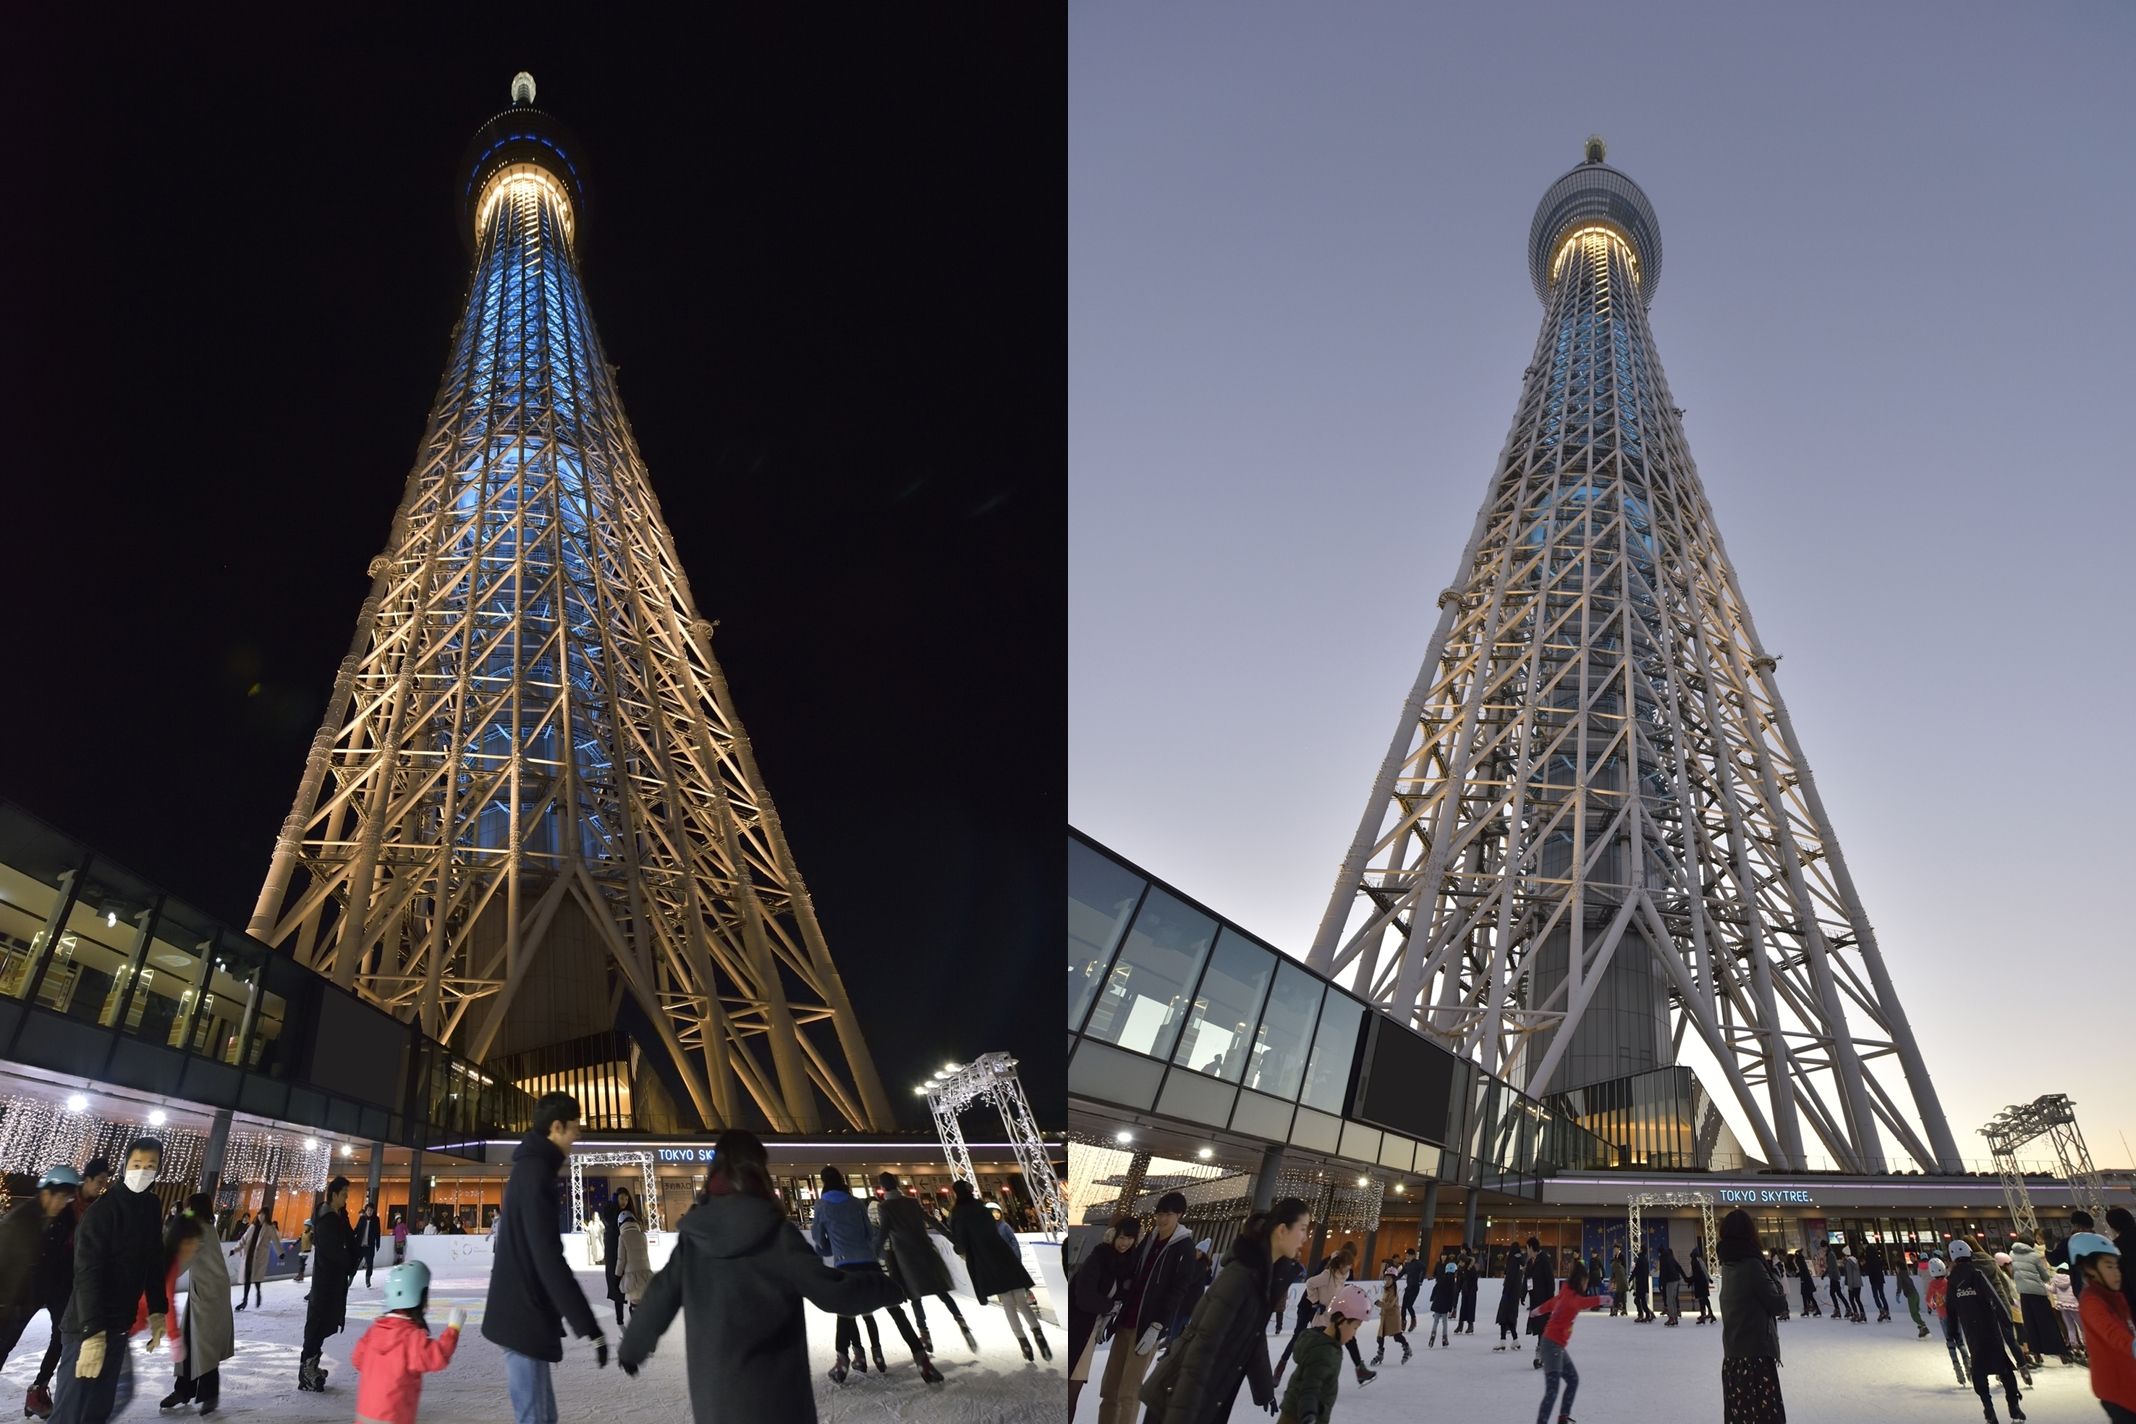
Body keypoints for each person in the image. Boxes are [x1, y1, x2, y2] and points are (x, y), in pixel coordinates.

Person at [616, 1129, 903, 1424]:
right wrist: (888, 1286)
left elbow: (660, 1296)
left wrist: (632, 1349)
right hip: (779, 1403)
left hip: (718, 1404)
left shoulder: (694, 1240)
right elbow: (834, 1293)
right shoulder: (778, 1235)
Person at [483, 1092, 607, 1424]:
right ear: (556, 1127)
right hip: (523, 1316)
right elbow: (548, 1258)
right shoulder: (536, 1174)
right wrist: (589, 1325)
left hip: (521, 1312)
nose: (579, 1135)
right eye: (575, 1127)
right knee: (536, 1417)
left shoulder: (530, 1169)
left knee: (540, 1416)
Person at [1137, 1197, 1307, 1424]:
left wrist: (1264, 1389)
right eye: (1303, 1229)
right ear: (1282, 1230)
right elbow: (1202, 1350)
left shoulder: (1266, 1276)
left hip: (1209, 1395)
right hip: (1178, 1398)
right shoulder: (1241, 1276)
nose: (1305, 1238)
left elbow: (1253, 1338)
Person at [52, 1138, 165, 1424]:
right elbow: (87, 1275)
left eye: (150, 1166)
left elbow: (153, 1260)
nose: (143, 1171)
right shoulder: (102, 1211)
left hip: (117, 1327)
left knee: (97, 1412)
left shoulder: (151, 1206)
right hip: (85, 1329)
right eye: (137, 1164)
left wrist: (158, 1309)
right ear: (124, 1166)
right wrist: (92, 1333)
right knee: (70, 1413)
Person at [810, 1167, 938, 1384]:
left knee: (845, 1314)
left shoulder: (821, 1205)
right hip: (870, 1263)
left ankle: (843, 1363)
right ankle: (921, 1358)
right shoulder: (856, 1202)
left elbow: (819, 1240)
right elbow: (870, 1233)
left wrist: (830, 1248)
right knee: (895, 1310)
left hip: (845, 1264)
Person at [1096, 1189, 1197, 1422]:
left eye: (1168, 1214)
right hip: (1125, 1322)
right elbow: (1130, 1275)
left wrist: (1158, 1325)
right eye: (1159, 1214)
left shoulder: (1184, 1248)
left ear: (1179, 1215)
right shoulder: (1149, 1240)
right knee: (1109, 1389)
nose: (1162, 1219)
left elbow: (1178, 1291)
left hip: (1146, 1329)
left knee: (1128, 1393)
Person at [2, 1164, 79, 1420]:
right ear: (47, 1192)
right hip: (16, 1295)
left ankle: (38, 1391)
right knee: (4, 1343)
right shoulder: (20, 1220)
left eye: (69, 1198)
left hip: (50, 1288)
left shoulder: (64, 1217)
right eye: (62, 1197)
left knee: (61, 1335)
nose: (64, 1203)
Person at [351, 1260, 464, 1424]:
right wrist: (453, 1329)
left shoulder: (374, 1331)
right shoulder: (412, 1338)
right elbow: (437, 1357)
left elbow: (357, 1359)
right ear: (419, 1297)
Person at [874, 1173, 975, 1356]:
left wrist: (873, 1254)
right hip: (926, 1251)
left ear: (882, 1188)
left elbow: (883, 1232)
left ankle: (924, 1333)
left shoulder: (885, 1207)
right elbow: (933, 1222)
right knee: (941, 1291)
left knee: (915, 1296)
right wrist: (952, 1238)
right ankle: (960, 1319)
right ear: (897, 1184)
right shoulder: (911, 1202)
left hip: (906, 1258)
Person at [946, 1179, 1047, 1361]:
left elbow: (961, 1244)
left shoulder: (958, 1215)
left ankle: (1024, 1343)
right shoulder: (983, 1210)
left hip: (986, 1262)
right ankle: (1038, 1334)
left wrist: (959, 1248)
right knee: (1021, 1301)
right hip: (1004, 1256)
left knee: (1008, 1303)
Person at [158, 1194, 232, 1415]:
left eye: (189, 1208)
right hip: (204, 1294)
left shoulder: (199, 1230)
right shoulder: (205, 1226)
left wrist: (158, 1276)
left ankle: (208, 1395)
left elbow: (181, 1261)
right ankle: (183, 1389)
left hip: (209, 1296)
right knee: (189, 1341)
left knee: (205, 1346)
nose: (186, 1211)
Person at [1716, 1209, 1786, 1424]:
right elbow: (1778, 1304)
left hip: (1733, 1356)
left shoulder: (1727, 1265)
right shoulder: (1752, 1264)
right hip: (1755, 1357)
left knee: (1741, 1415)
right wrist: (1772, 1272)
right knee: (1762, 1416)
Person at [1069, 1217, 1140, 1419]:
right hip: (1077, 1329)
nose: (1125, 1243)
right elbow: (1084, 1298)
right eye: (1122, 1237)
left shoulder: (1127, 1265)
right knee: (1070, 1391)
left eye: (1130, 1239)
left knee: (1073, 1390)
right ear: (1113, 1235)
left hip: (1090, 1332)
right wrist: (1111, 1306)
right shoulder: (1098, 1258)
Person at [1949, 1240, 2027, 1422]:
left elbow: (1951, 1309)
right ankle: (2014, 1406)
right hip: (1989, 1327)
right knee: (2005, 1368)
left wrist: (1953, 1331)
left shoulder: (1952, 1281)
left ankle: (1988, 1408)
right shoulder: (1977, 1275)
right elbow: (1994, 1297)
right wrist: (2005, 1319)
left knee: (1979, 1370)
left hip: (1971, 1331)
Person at [293, 1175, 357, 1392]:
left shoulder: (336, 1216)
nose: (347, 1198)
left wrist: (345, 1217)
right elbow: (337, 1252)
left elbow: (349, 1241)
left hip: (332, 1280)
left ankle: (312, 1365)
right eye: (345, 1195)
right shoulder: (328, 1219)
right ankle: (307, 1369)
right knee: (318, 1323)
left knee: (324, 1322)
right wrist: (349, 1261)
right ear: (334, 1194)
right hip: (326, 1281)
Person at [1276, 1281, 1372, 1424]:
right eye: (1355, 1327)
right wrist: (1309, 1413)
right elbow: (1310, 1385)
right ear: (1341, 1320)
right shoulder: (1323, 1351)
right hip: (1299, 1416)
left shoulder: (1326, 1345)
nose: (1354, 1334)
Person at [1529, 1257, 1607, 1424]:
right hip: (1552, 1346)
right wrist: (1602, 1299)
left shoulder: (1565, 1295)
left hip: (1556, 1346)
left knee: (1572, 1380)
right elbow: (1583, 1303)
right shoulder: (1571, 1300)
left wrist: (1537, 1311)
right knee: (1553, 1390)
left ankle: (1563, 1417)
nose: (1586, 1286)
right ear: (1580, 1282)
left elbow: (1550, 1304)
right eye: (1585, 1282)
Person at [2070, 1232, 2134, 1424]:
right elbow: (2111, 1331)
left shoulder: (2115, 1296)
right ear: (2090, 1268)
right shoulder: (2091, 1301)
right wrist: (2132, 1346)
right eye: (2108, 1266)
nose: (2117, 1273)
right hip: (2115, 1387)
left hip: (2129, 1378)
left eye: (2116, 1266)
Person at [2006, 1236, 2065, 1365]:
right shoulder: (2034, 1256)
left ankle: (2036, 1353)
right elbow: (2044, 1276)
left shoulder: (2011, 1254)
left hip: (2023, 1293)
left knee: (2030, 1325)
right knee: (2048, 1323)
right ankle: (2060, 1351)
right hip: (2038, 1293)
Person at [1928, 1256, 1972, 1386]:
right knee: (1960, 1340)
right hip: (1954, 1315)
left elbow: (1928, 1300)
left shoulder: (1932, 1285)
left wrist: (1934, 1306)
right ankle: (1968, 1363)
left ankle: (1956, 1366)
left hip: (1943, 1316)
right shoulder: (1949, 1282)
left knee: (1950, 1341)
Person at [601, 1188, 636, 1330]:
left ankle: (635, 1326)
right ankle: (620, 1323)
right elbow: (609, 1220)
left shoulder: (629, 1215)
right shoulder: (610, 1210)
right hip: (614, 1257)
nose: (624, 1202)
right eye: (621, 1198)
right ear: (616, 1198)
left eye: (626, 1199)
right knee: (617, 1292)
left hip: (629, 1257)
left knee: (633, 1292)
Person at [615, 1204, 653, 1326]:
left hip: (633, 1278)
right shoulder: (642, 1235)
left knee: (635, 1304)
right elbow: (646, 1253)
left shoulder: (623, 1237)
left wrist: (617, 1276)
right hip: (646, 1274)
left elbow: (621, 1260)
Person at [1369, 1269, 1411, 1366]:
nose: (1387, 1281)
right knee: (1380, 1337)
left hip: (1392, 1318)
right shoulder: (1386, 1289)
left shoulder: (1394, 1292)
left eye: (1389, 1279)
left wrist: (1378, 1303)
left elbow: (1389, 1305)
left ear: (1393, 1280)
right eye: (1386, 1279)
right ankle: (1380, 1355)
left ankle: (1407, 1350)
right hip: (1385, 1317)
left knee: (1397, 1336)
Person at [1524, 1236, 1555, 1364]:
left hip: (1544, 1300)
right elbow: (1527, 1279)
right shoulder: (1531, 1262)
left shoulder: (1544, 1260)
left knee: (1542, 1326)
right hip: (1535, 1300)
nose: (1527, 1251)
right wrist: (1523, 1294)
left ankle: (1541, 1352)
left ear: (1532, 1248)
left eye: (1527, 1248)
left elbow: (1550, 1281)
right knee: (1539, 1327)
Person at [233, 1210, 272, 1313]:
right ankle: (245, 1300)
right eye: (260, 1215)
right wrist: (235, 1249)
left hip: (258, 1258)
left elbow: (275, 1239)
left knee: (255, 1278)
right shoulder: (251, 1227)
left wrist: (280, 1252)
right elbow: (243, 1240)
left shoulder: (267, 1228)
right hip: (249, 1257)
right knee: (247, 1280)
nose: (261, 1217)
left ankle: (258, 1292)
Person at [2048, 1264, 2086, 1366]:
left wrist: (2043, 1284)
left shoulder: (2055, 1279)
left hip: (2063, 1306)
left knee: (2070, 1328)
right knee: (2082, 1327)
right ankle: (2087, 1348)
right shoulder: (2072, 1278)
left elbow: (2053, 1291)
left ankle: (2075, 1349)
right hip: (2074, 1305)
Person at [1494, 1241, 1527, 1349]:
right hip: (1515, 1294)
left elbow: (1510, 1277)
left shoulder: (1513, 1260)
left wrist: (1506, 1292)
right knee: (1509, 1318)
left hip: (1509, 1293)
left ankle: (1503, 1342)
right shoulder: (1521, 1262)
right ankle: (1515, 1341)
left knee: (1503, 1317)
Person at [1894, 1250, 1928, 1337]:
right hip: (1916, 1295)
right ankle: (1922, 1329)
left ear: (1898, 1268)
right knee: (1916, 1313)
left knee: (1914, 1314)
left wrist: (1898, 1294)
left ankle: (1923, 1327)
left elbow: (1899, 1284)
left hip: (1911, 1296)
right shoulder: (1907, 1274)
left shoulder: (1900, 1275)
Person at [1426, 1259, 1457, 1348]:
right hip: (1445, 1304)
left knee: (1435, 1321)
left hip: (1437, 1302)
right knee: (1445, 1321)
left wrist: (1432, 1298)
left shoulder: (1441, 1278)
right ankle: (1444, 1338)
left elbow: (1435, 1288)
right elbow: (1452, 1295)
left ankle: (1433, 1335)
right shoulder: (1452, 1282)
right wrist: (1451, 1307)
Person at [1398, 1248, 1426, 1333]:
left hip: (1415, 1287)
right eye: (1407, 1256)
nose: (1407, 1257)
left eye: (1409, 1256)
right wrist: (1394, 1279)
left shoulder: (1418, 1263)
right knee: (1403, 1306)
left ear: (1413, 1256)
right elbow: (1401, 1273)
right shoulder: (1406, 1264)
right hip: (1409, 1287)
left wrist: (1421, 1280)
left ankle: (1413, 1321)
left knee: (1409, 1305)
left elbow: (1424, 1269)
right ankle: (1403, 1322)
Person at [356, 1203, 383, 1289]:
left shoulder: (376, 1220)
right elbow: (357, 1229)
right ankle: (350, 1279)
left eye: (371, 1210)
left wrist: (378, 1243)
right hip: (360, 1246)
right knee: (355, 1263)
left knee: (370, 1264)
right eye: (368, 1210)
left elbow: (378, 1232)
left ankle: (368, 1279)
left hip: (369, 1246)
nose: (370, 1212)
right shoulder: (362, 1218)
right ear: (366, 1210)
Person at [1690, 1242, 1715, 1325]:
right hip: (1703, 1281)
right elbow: (1705, 1270)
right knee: (1705, 1298)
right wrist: (1709, 1279)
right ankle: (1710, 1314)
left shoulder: (1696, 1261)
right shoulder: (1700, 1260)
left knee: (1702, 1298)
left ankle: (1704, 1315)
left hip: (1700, 1282)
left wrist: (1690, 1280)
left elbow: (1700, 1271)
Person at [1792, 1250, 1820, 1317]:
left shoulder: (1800, 1262)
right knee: (1809, 1296)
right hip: (1807, 1282)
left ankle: (1807, 1310)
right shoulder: (1802, 1262)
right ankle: (1815, 1310)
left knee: (1806, 1296)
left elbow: (1802, 1272)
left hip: (1805, 1282)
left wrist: (1799, 1277)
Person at [1841, 1246, 1865, 1323]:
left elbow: (1850, 1275)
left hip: (1853, 1284)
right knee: (1858, 1299)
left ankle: (1856, 1314)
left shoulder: (1848, 1262)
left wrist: (1850, 1286)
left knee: (1851, 1299)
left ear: (1845, 1254)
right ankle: (1863, 1314)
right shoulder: (1855, 1260)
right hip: (1858, 1283)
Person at [1457, 1252, 1480, 1334]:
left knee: (1470, 1307)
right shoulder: (1461, 1268)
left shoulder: (1471, 1268)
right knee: (1463, 1307)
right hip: (1465, 1291)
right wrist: (1459, 1289)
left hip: (1471, 1291)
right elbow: (1460, 1280)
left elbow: (1474, 1280)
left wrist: (1470, 1287)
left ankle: (1470, 1325)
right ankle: (1460, 1325)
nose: (1460, 1263)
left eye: (1461, 1261)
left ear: (1464, 1261)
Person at [1608, 1250, 1627, 1318]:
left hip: (1620, 1283)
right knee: (1621, 1297)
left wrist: (1612, 1282)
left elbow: (1614, 1275)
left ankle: (1615, 1311)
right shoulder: (1619, 1266)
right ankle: (1624, 1310)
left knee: (1616, 1297)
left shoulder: (1615, 1266)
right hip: (1623, 1283)